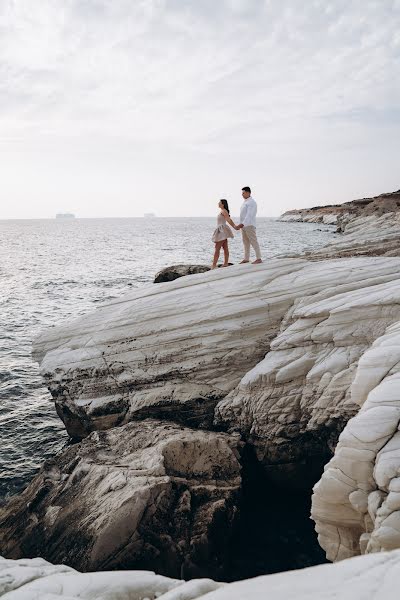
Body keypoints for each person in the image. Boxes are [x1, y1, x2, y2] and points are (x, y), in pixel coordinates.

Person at [211, 199, 240, 269]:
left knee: (217, 248)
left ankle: (214, 265)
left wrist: (235, 226)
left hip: (222, 230)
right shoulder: (222, 211)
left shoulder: (224, 211)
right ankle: (225, 263)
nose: (218, 203)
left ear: (223, 204)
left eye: (219, 202)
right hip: (221, 230)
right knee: (225, 247)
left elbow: (228, 219)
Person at [238, 186, 262, 264]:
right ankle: (246, 258)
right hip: (244, 225)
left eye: (243, 193)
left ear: (248, 193)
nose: (242, 194)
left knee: (253, 241)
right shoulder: (245, 202)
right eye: (242, 193)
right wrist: (242, 224)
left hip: (249, 225)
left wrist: (242, 224)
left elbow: (250, 215)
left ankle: (259, 258)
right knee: (245, 242)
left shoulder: (252, 202)